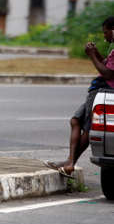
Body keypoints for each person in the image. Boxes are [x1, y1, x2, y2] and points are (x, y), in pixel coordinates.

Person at [44, 16, 114, 177]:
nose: (104, 36)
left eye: (106, 33)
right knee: (75, 121)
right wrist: (96, 53)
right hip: (99, 90)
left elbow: (108, 73)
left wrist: (91, 56)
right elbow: (108, 66)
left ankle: (70, 163)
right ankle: (70, 161)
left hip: (102, 90)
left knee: (88, 129)